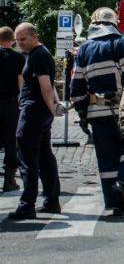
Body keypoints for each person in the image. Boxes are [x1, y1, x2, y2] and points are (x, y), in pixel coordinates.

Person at [70, 7, 124, 216]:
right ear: (113, 25)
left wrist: (83, 114)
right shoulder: (121, 44)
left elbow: (76, 87)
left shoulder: (84, 50)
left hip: (97, 112)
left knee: (107, 157)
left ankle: (115, 204)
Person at [8, 23, 60, 220]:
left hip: (33, 113)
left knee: (28, 159)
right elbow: (50, 86)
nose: (20, 44)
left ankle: (27, 204)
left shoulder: (38, 56)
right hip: (40, 112)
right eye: (18, 40)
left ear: (34, 36)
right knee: (45, 157)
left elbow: (46, 86)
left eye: (23, 39)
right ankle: (51, 200)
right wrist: (51, 109)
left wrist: (52, 109)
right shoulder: (40, 53)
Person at [0, 26, 25, 192]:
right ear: (12, 40)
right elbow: (21, 84)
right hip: (10, 104)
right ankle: (9, 181)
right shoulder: (18, 58)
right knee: (10, 141)